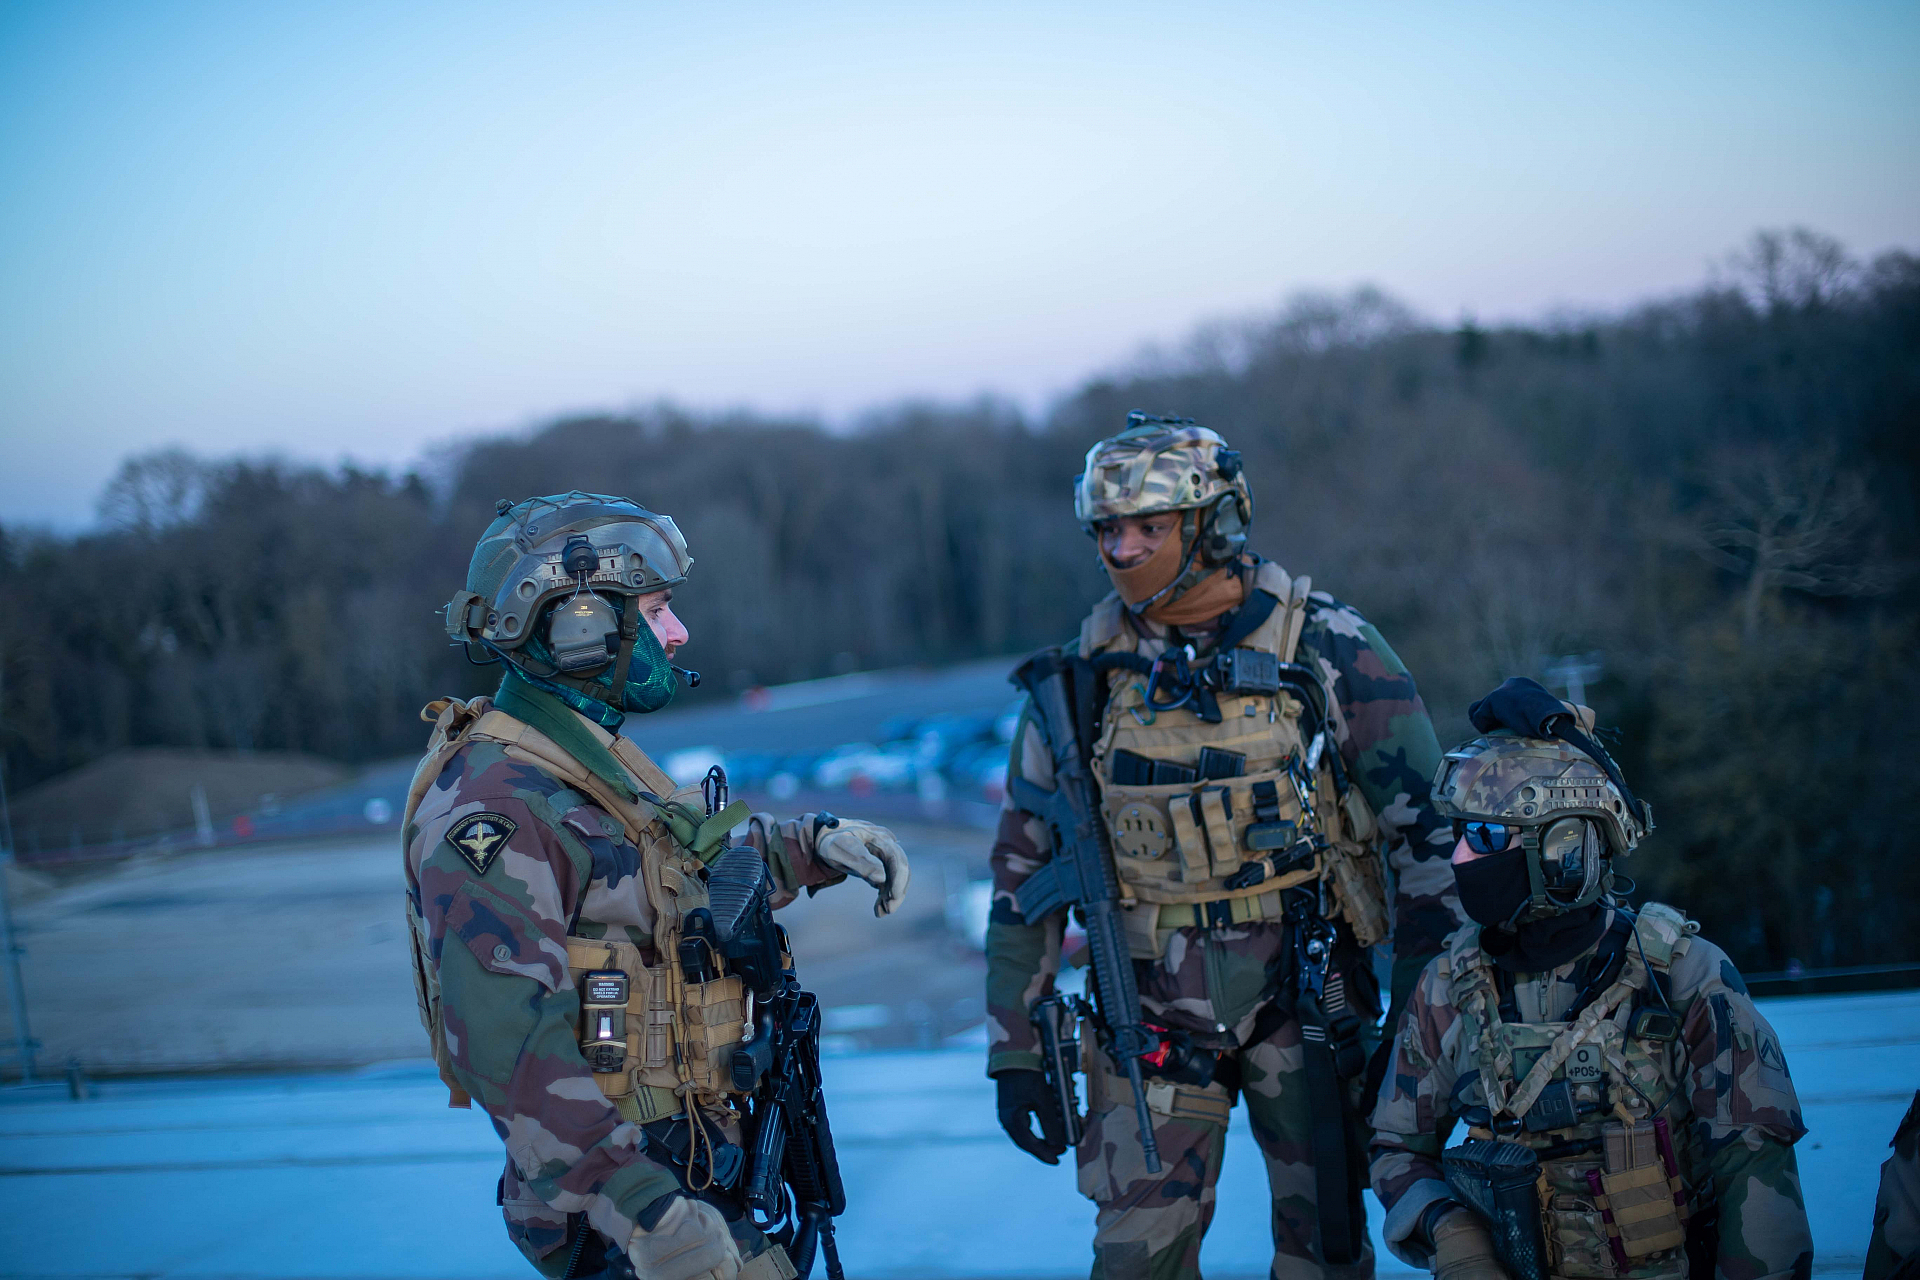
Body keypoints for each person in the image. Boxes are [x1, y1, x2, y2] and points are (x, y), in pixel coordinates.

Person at [986, 412, 1465, 1279]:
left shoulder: (1325, 645)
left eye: (1149, 525)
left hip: (1308, 1004)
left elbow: (1430, 837)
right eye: (1107, 529)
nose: (1123, 549)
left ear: (1212, 522)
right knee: (1135, 1263)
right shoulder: (1079, 678)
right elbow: (1025, 866)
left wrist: (1417, 1023)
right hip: (1148, 1018)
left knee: (1325, 1255)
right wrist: (1015, 1050)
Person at [403, 492, 910, 1280]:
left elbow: (675, 871)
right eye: (657, 609)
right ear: (578, 626)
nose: (677, 633)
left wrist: (809, 847)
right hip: (628, 1206)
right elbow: (508, 1045)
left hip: (693, 1166)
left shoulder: (582, 761)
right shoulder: (498, 802)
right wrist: (647, 1214)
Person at [1369, 676, 1814, 1280]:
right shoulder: (1448, 985)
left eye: (1485, 835)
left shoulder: (1683, 976)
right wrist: (1448, 1229)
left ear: (1563, 847)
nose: (1459, 858)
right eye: (1460, 834)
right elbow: (1396, 1149)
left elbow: (1756, 1175)